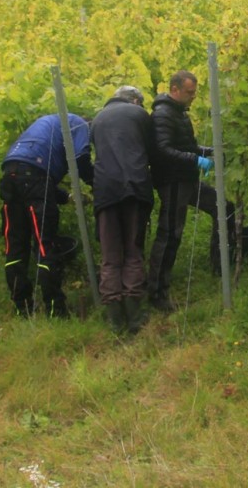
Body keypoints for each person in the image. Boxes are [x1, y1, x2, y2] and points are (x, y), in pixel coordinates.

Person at [147, 70, 236, 312]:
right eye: (189, 92)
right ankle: (157, 293)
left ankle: (220, 265)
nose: (193, 96)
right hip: (173, 182)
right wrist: (195, 160)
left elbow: (188, 146)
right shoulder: (163, 114)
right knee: (170, 235)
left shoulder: (180, 114)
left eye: (195, 92)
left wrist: (210, 151)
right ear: (175, 90)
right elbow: (163, 149)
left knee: (224, 207)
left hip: (188, 179)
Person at [0, 112, 93, 317]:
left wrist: (67, 197)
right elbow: (81, 158)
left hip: (10, 176)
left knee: (15, 246)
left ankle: (22, 308)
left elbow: (37, 179)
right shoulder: (79, 124)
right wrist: (96, 182)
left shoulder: (50, 123)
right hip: (34, 177)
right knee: (45, 244)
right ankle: (55, 309)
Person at [91, 86, 155, 334]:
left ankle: (115, 319)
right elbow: (153, 150)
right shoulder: (138, 114)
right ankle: (134, 315)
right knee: (132, 251)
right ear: (136, 100)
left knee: (110, 255)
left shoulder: (97, 119)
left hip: (105, 191)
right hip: (135, 188)